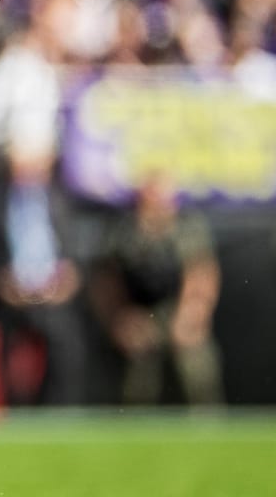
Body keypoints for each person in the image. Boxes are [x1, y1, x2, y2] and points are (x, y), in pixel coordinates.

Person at [88, 171, 223, 405]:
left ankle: (207, 424)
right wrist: (119, 320)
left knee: (197, 366)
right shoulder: (123, 231)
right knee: (138, 381)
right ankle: (134, 431)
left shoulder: (187, 227)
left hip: (177, 308)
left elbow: (201, 274)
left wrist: (191, 315)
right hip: (138, 311)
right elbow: (106, 283)